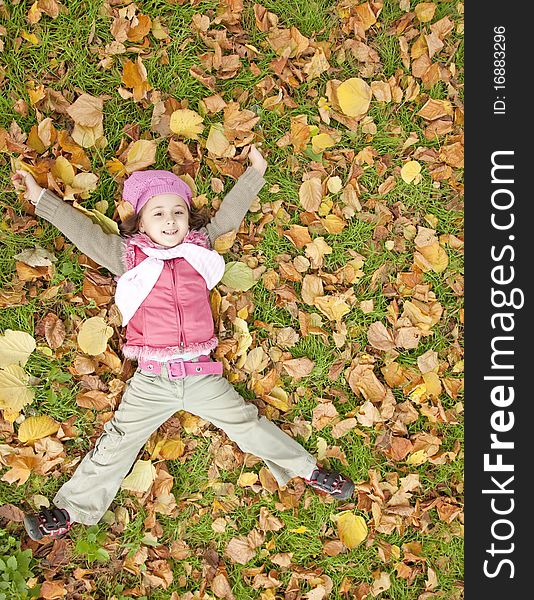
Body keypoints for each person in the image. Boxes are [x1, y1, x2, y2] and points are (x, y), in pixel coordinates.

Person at [11, 145, 354, 541]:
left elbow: (229, 215)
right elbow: (84, 232)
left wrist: (255, 172)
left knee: (247, 424)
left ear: (188, 220)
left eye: (178, 212)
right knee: (118, 442)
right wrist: (40, 197)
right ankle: (70, 511)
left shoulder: (199, 248)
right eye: (158, 213)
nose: (170, 220)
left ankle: (309, 471)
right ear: (142, 224)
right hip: (151, 380)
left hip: (200, 374)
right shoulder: (128, 256)